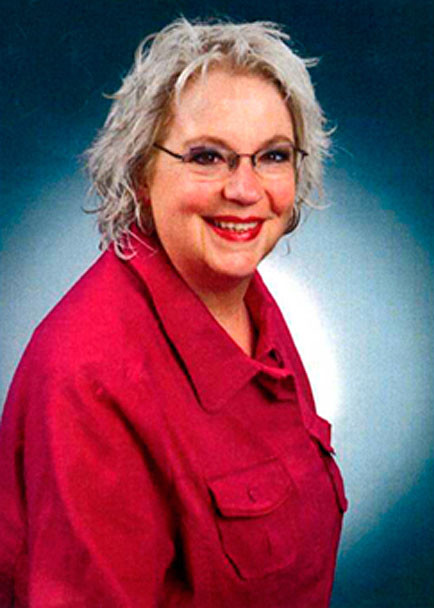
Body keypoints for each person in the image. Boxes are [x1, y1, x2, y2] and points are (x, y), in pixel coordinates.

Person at [0, 18, 347, 607]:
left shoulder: (243, 299)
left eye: (272, 156)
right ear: (140, 171)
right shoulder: (90, 378)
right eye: (207, 156)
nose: (245, 190)